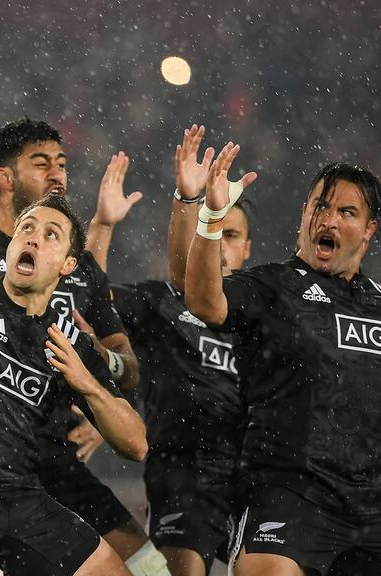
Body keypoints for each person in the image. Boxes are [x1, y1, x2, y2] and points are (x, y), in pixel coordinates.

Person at [0, 119, 168, 575]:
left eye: (62, 163)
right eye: (42, 164)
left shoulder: (79, 271)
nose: (58, 174)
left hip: (55, 460)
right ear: (6, 177)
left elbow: (127, 371)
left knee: (150, 568)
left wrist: (98, 383)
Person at [184, 145, 381, 576]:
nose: (328, 220)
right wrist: (211, 217)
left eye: (346, 213)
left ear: (370, 230)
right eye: (320, 206)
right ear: (304, 213)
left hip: (370, 499)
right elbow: (202, 300)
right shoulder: (271, 285)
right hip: (286, 490)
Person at [112, 126, 252, 576]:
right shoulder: (160, 301)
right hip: (183, 473)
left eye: (231, 234)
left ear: (247, 248)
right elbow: (91, 301)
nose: (222, 244)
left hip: (253, 472)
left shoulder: (265, 310)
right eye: (216, 231)